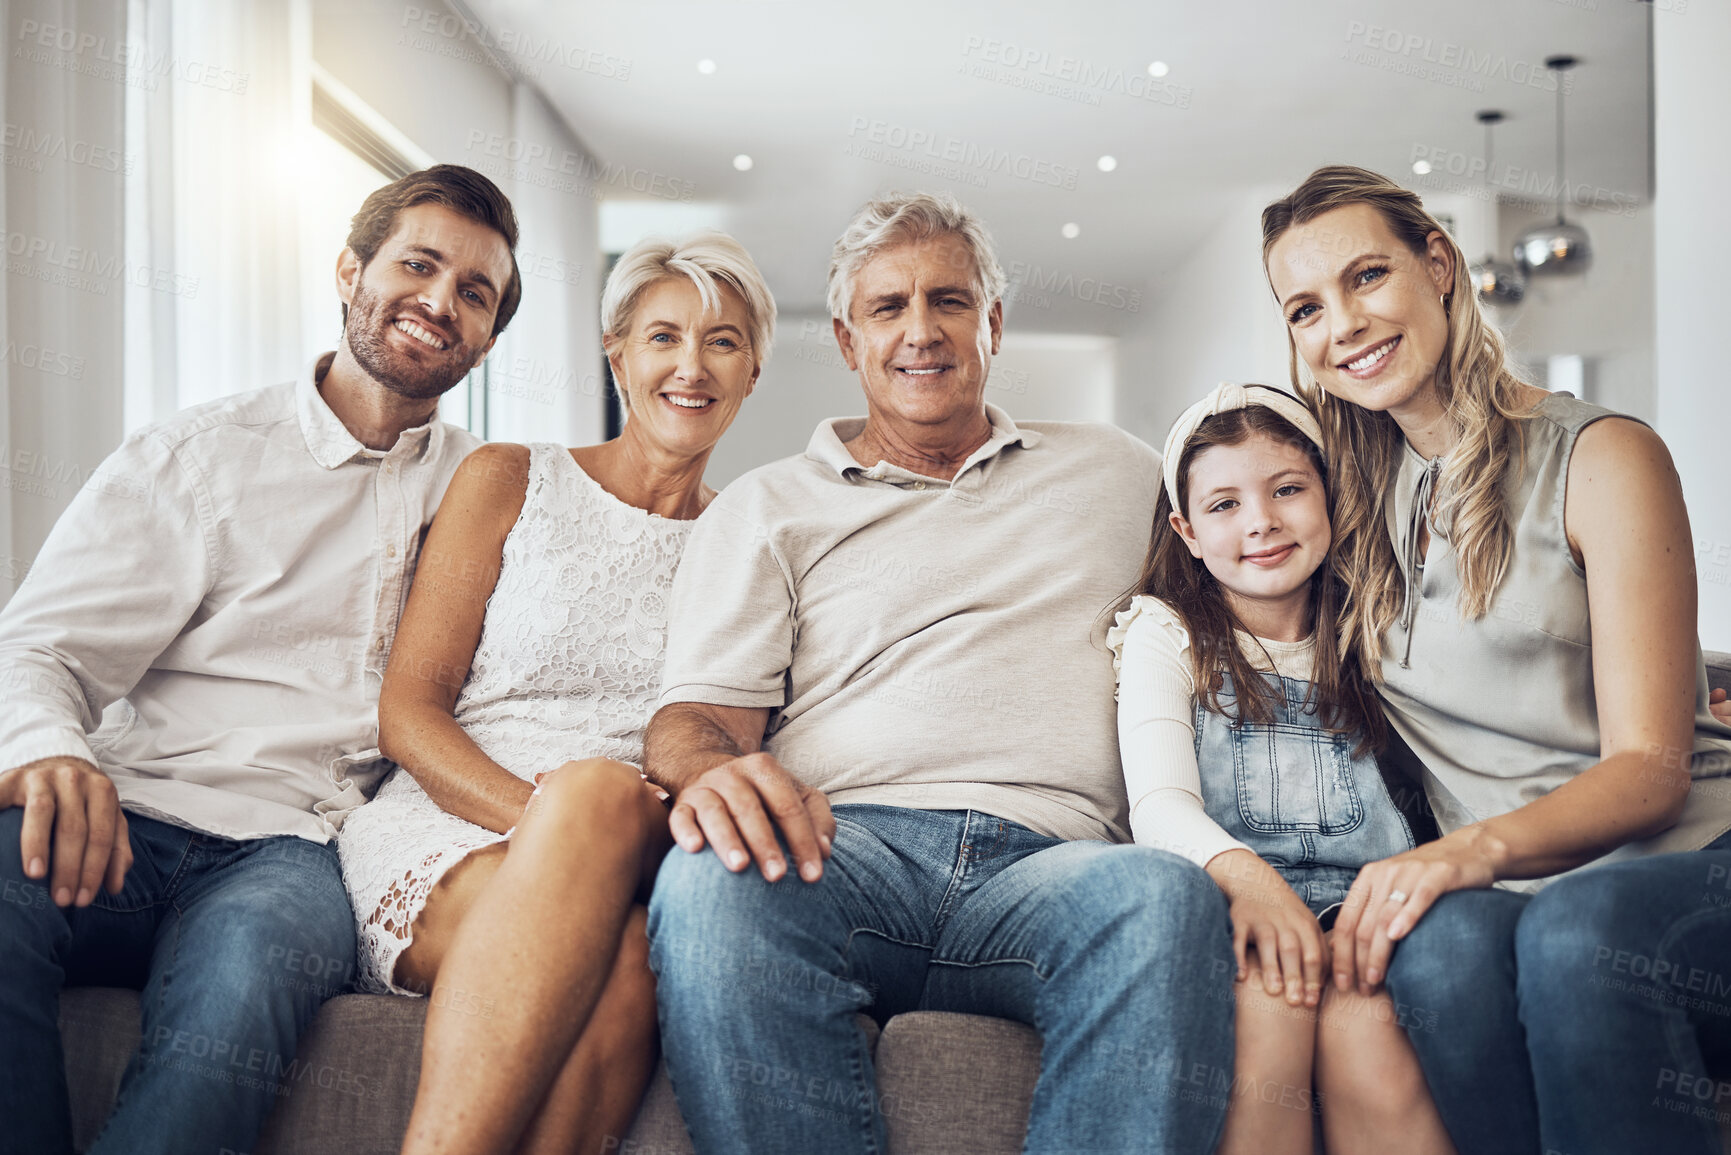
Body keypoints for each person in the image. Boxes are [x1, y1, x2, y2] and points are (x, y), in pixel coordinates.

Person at [640, 191, 1235, 1155]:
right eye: (888, 308)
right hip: (843, 847)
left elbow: (1257, 565)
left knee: (1164, 902)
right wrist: (715, 772)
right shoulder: (764, 507)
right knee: (708, 888)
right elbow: (692, 719)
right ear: (846, 338)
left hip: (1057, 859)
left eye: (949, 302)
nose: (920, 332)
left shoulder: (1121, 473)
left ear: (992, 324)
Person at [0, 164, 520, 1155]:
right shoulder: (198, 458)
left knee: (244, 996)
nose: (439, 301)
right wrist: (46, 749)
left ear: (488, 337)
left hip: (298, 848)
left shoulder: (488, 490)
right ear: (348, 272)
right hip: (134, 808)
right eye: (418, 265)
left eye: (475, 292)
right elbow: (42, 647)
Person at [1262, 163, 1731, 1154]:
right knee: (1435, 954)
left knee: (1577, 937)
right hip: (1504, 894)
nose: (1342, 323)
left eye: (1366, 278)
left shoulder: (1605, 455)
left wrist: (1459, 853)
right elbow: (1212, 554)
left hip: (1688, 862)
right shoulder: (1346, 508)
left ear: (1438, 266)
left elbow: (1650, 773)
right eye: (1305, 308)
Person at [335, 230, 773, 1154]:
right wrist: (559, 823)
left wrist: (595, 820)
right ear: (617, 356)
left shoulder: (752, 541)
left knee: (606, 793)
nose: (690, 366)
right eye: (663, 336)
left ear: (753, 372)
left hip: (635, 829)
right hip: (454, 813)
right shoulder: (508, 475)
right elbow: (408, 709)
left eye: (722, 340)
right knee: (624, 954)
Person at [1110, 381, 1453, 1155]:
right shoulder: (1165, 632)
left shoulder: (1374, 624)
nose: (1260, 521)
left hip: (1369, 912)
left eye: (1287, 489)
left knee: (1368, 1040)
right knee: (1270, 1016)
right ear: (1186, 530)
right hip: (1236, 903)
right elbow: (1159, 808)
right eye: (1223, 504)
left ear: (1328, 497)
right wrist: (1257, 888)